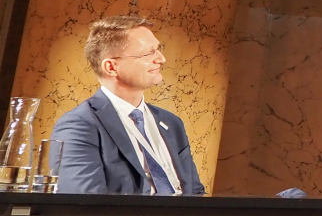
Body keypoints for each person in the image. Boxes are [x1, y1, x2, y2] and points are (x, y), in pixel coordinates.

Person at [51, 15, 206, 195]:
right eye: (148, 53)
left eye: (158, 49)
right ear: (111, 67)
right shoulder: (79, 126)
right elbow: (85, 202)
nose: (161, 59)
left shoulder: (171, 123)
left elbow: (194, 191)